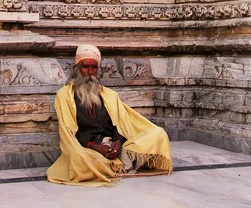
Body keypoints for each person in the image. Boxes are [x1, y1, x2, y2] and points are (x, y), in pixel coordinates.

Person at [47, 43, 172, 186]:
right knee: (78, 158)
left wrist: (118, 142)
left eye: (94, 67)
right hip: (89, 148)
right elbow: (70, 132)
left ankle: (116, 163)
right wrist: (94, 146)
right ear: (77, 69)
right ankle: (121, 165)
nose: (90, 72)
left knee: (158, 133)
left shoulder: (110, 95)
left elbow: (122, 124)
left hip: (114, 146)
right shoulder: (64, 96)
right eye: (86, 67)